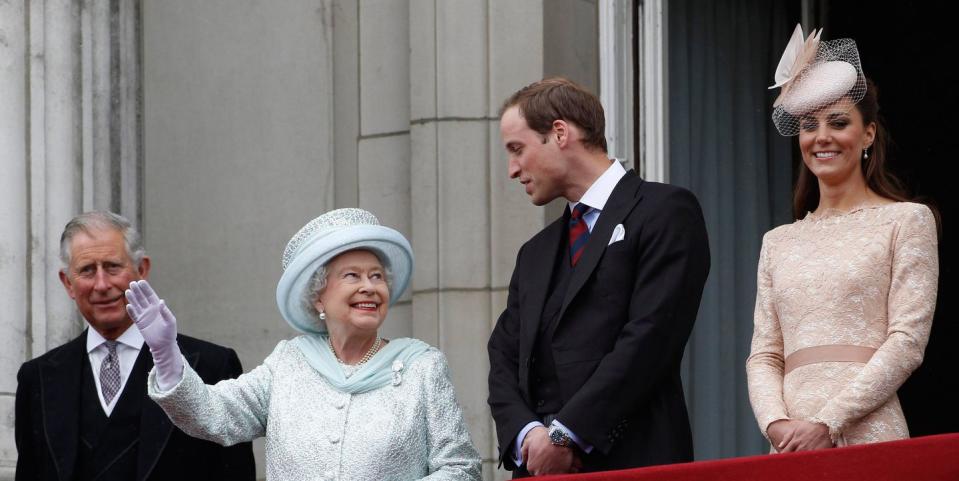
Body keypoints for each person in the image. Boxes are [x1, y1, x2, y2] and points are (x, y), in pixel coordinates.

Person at [126, 208, 481, 480]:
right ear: (319, 298)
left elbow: (461, 467)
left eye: (376, 276)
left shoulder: (422, 367)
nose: (369, 287)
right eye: (352, 276)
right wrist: (166, 353)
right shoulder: (288, 363)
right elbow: (214, 415)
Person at [487, 77, 711, 476]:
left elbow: (650, 337)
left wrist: (565, 435)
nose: (512, 169)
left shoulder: (665, 211)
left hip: (637, 462)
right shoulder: (534, 253)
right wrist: (529, 437)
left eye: (517, 149)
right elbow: (503, 357)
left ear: (559, 133)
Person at [747, 25, 940, 452]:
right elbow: (764, 355)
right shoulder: (777, 241)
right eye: (809, 125)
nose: (822, 137)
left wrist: (828, 421)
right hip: (792, 445)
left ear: (868, 134)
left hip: (870, 432)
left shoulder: (906, 221)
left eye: (838, 122)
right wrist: (777, 425)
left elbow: (907, 342)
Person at [14, 211, 255, 481]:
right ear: (68, 283)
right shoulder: (38, 378)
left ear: (142, 269)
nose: (102, 284)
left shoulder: (212, 366)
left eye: (113, 266)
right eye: (87, 270)